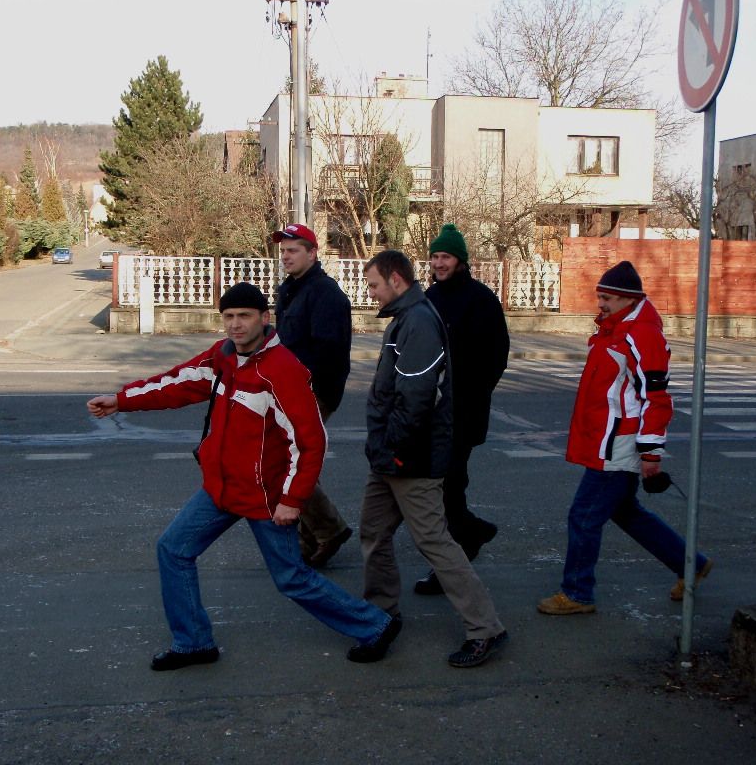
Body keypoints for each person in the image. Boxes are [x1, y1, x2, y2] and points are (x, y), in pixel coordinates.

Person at [86, 283, 401, 669]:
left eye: (244, 316)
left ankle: (375, 626)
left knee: (292, 579)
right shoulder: (223, 357)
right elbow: (178, 382)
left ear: (264, 319)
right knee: (173, 549)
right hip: (221, 487)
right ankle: (193, 643)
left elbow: (310, 442)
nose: (235, 325)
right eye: (229, 317)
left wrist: (292, 500)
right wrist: (121, 400)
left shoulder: (282, 370)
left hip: (265, 497)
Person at [359, 250, 508, 667]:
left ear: (396, 280)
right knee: (373, 533)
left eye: (373, 285)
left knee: (434, 542)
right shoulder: (405, 319)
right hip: (389, 455)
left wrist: (394, 449)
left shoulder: (419, 323)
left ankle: (486, 628)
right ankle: (379, 616)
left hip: (410, 456)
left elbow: (417, 399)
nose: (370, 293)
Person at [537, 261, 713, 616]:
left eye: (607, 298)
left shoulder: (641, 334)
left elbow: (657, 398)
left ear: (628, 300)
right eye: (599, 296)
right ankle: (690, 564)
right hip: (610, 441)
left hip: (620, 445)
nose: (600, 304)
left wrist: (650, 452)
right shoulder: (615, 329)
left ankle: (577, 593)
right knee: (625, 512)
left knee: (584, 516)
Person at [413, 223, 509, 596]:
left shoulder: (480, 299)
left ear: (460, 261)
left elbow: (496, 355)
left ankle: (452, 560)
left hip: (464, 410)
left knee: (448, 483)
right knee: (443, 485)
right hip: (432, 410)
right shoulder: (429, 297)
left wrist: (472, 393)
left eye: (446, 257)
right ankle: (470, 533)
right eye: (435, 256)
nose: (439, 263)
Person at [271, 223, 354, 568]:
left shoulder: (325, 294)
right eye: (284, 250)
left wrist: (304, 392)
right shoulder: (290, 290)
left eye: (293, 250)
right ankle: (308, 539)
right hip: (287, 391)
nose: (286, 255)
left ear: (312, 253)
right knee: (289, 463)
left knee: (286, 464)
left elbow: (328, 354)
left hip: (312, 392)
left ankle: (328, 530)